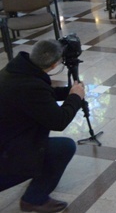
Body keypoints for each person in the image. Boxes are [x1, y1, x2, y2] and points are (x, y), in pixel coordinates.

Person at [0, 39, 85, 213]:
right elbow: (59, 121)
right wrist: (75, 98)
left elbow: (39, 97)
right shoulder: (31, 87)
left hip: (7, 135)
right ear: (54, 65)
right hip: (6, 152)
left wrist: (67, 92)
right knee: (64, 147)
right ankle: (34, 199)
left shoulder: (16, 70)